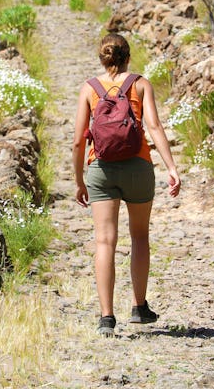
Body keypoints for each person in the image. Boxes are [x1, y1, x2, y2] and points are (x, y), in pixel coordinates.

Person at [72, 33, 181, 337]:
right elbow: (155, 127)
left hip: (101, 170)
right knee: (139, 236)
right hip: (137, 166)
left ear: (102, 58)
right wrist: (171, 168)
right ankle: (139, 307)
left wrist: (80, 180)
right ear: (128, 57)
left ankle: (106, 317)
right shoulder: (140, 83)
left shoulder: (88, 89)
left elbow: (78, 141)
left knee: (105, 241)